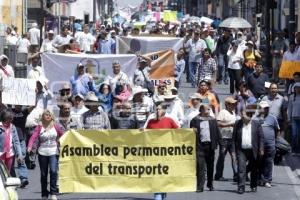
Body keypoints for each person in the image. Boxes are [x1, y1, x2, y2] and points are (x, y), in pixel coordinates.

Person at [27, 109, 64, 200]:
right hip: (42, 153)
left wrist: (62, 141)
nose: (48, 116)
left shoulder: (56, 126)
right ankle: (44, 194)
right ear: (43, 116)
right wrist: (29, 146)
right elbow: (33, 137)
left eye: (49, 114)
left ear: (52, 116)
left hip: (53, 152)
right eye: (46, 114)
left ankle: (53, 192)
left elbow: (63, 135)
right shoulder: (39, 127)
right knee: (43, 174)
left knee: (54, 171)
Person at [146, 103, 179, 200]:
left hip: (166, 151)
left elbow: (179, 133)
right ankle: (158, 193)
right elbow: (146, 134)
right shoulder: (151, 122)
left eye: (159, 109)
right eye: (156, 109)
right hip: (153, 151)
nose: (157, 111)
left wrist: (191, 131)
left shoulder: (169, 121)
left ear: (164, 111)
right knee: (156, 172)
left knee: (164, 172)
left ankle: (162, 191)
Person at [232, 104, 264, 194]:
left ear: (249, 116)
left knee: (254, 169)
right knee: (241, 169)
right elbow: (233, 139)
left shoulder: (256, 124)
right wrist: (233, 151)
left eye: (244, 114)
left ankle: (253, 185)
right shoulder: (237, 123)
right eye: (241, 114)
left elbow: (261, 137)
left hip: (253, 150)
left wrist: (261, 148)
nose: (242, 116)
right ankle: (241, 187)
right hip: (241, 150)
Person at [190, 104, 222, 192]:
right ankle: (200, 186)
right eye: (207, 109)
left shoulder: (212, 120)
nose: (208, 111)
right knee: (200, 167)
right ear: (201, 110)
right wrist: (193, 130)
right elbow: (191, 133)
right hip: (200, 146)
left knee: (210, 166)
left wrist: (221, 144)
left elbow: (217, 132)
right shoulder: (195, 120)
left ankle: (210, 184)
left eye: (209, 109)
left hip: (210, 146)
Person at [256, 101, 280, 188]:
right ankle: (259, 179)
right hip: (259, 145)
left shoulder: (273, 118)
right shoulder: (255, 118)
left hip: (270, 145)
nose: (264, 110)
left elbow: (277, 130)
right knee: (259, 162)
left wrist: (275, 141)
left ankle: (267, 180)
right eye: (263, 108)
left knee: (269, 162)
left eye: (266, 108)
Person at [215, 97, 238, 182]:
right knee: (222, 156)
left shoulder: (233, 113)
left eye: (234, 104)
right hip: (224, 138)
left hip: (232, 138)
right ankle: (218, 175)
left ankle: (236, 175)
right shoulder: (223, 112)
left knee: (234, 156)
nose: (234, 105)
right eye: (232, 104)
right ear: (227, 104)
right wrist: (229, 124)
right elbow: (218, 123)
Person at [287, 83, 300, 153]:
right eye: (296, 88)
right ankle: (293, 150)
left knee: (299, 135)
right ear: (294, 89)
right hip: (294, 118)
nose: (297, 89)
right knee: (294, 135)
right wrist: (289, 118)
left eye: (299, 88)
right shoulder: (292, 97)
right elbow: (289, 108)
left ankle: (298, 150)